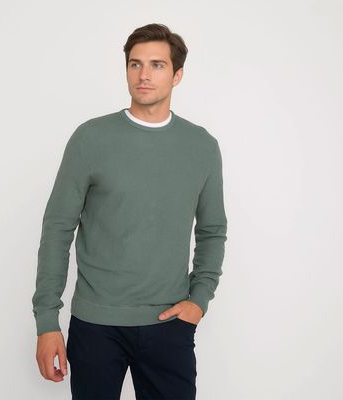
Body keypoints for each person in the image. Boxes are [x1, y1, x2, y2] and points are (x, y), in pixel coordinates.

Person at [32, 22, 228, 400]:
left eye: (157, 65)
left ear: (177, 75)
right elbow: (57, 228)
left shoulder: (201, 146)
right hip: (95, 325)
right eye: (135, 64)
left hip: (169, 324)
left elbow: (212, 230)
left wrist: (199, 300)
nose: (143, 75)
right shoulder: (91, 138)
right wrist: (46, 321)